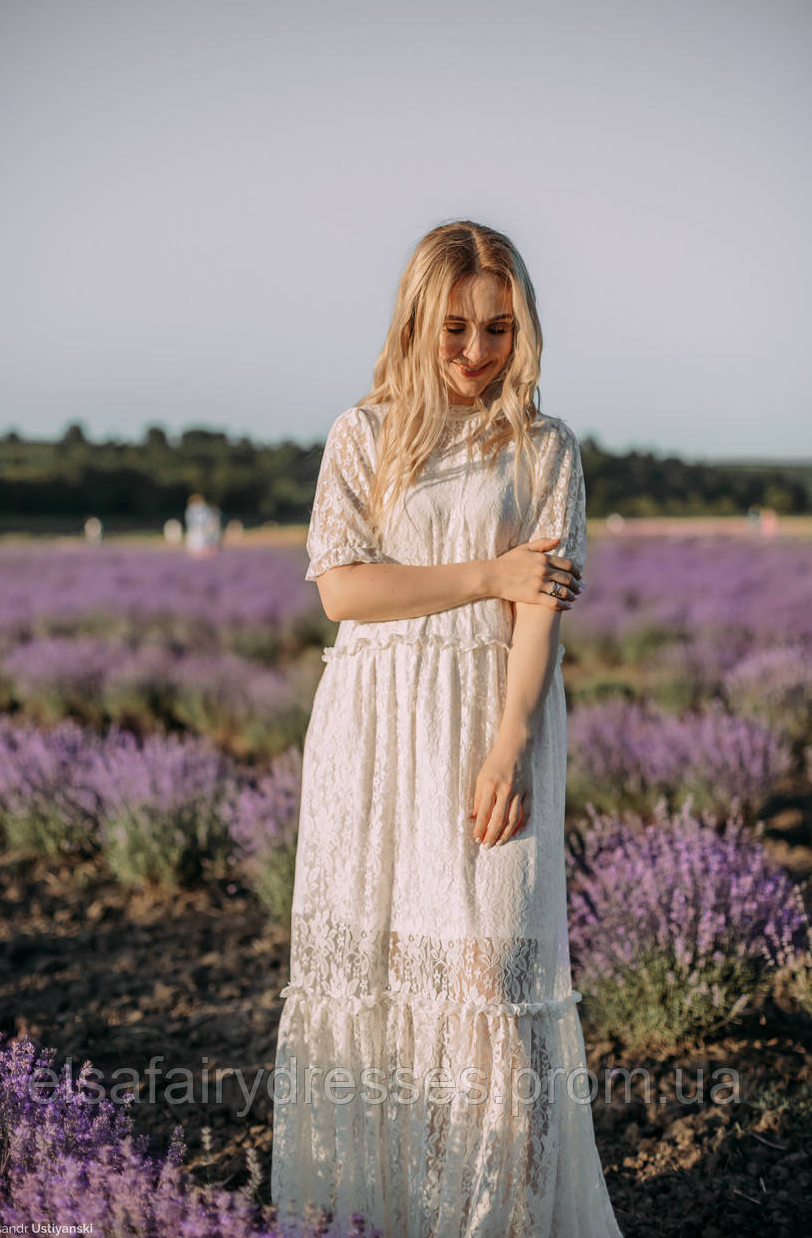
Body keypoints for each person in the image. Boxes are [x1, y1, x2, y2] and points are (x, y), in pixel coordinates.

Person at [270, 221, 624, 1237]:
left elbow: (538, 611)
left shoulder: (545, 448)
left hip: (492, 724)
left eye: (499, 329)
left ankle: (500, 1221)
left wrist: (510, 741)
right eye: (456, 329)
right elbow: (342, 590)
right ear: (417, 321)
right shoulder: (361, 435)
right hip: (376, 735)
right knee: (378, 985)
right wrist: (486, 572)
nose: (477, 353)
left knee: (497, 988)